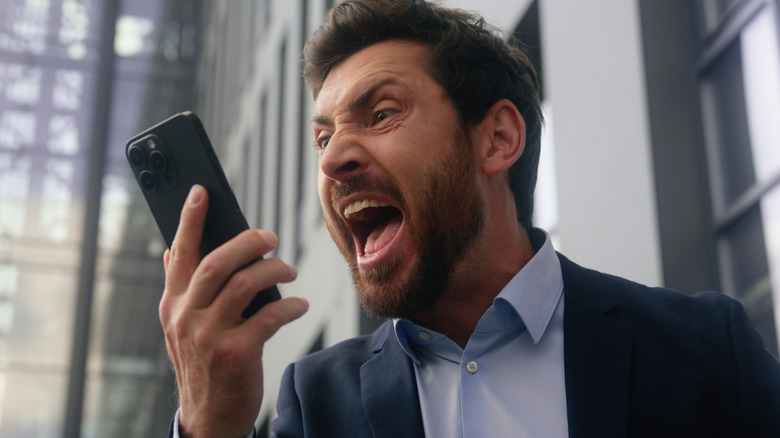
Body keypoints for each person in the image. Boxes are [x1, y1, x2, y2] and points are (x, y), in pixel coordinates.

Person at [161, 1, 780, 437]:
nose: (335, 159)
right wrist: (208, 425)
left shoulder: (703, 350)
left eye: (380, 114)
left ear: (497, 139)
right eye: (322, 139)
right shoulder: (315, 404)